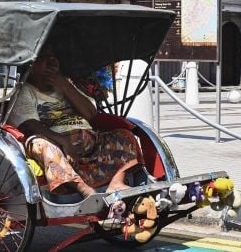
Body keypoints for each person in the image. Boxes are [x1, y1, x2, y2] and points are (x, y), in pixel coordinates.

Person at [8, 45, 142, 199]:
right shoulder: (25, 91)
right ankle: (83, 189)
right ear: (30, 65)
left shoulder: (64, 85)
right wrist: (62, 141)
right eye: (43, 57)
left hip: (89, 139)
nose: (51, 61)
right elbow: (30, 125)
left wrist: (64, 85)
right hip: (54, 141)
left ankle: (117, 181)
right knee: (43, 145)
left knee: (123, 135)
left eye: (53, 57)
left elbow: (91, 114)